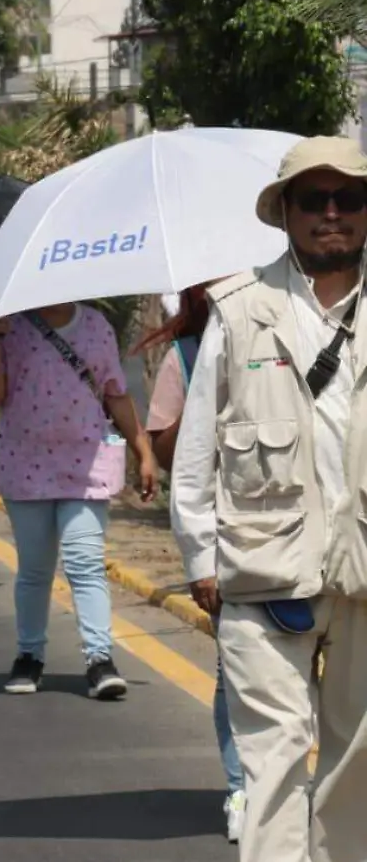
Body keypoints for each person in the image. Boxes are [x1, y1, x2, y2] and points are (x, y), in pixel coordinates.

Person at [171, 136, 367, 860]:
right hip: (260, 573)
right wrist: (199, 557)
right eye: (313, 201)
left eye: (348, 198)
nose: (331, 214)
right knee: (276, 758)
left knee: (356, 767)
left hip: (364, 575)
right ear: (285, 213)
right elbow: (196, 452)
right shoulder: (240, 311)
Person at [0, 300, 155, 703]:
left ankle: (99, 659)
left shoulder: (95, 327)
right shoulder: (10, 327)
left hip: (85, 464)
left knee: (85, 562)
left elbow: (116, 393)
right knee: (35, 570)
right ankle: (29, 656)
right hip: (27, 465)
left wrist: (144, 449)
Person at [139, 283, 245, 844]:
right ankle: (242, 791)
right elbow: (162, 449)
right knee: (236, 674)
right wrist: (204, 396)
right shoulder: (185, 356)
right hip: (228, 543)